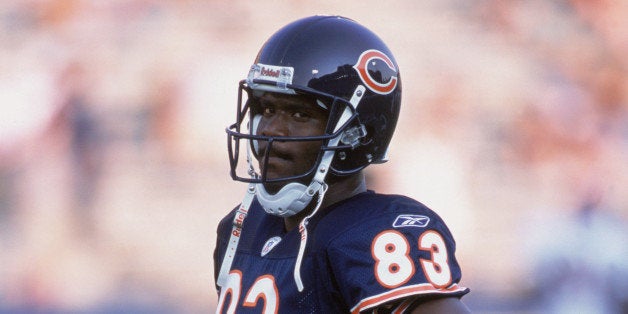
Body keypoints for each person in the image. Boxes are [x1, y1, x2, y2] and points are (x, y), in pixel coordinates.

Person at [214, 15, 470, 313]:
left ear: (356, 134)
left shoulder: (375, 234)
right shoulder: (244, 226)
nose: (272, 128)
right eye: (268, 108)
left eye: (299, 115)